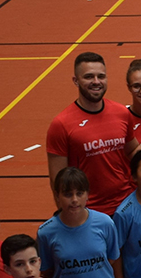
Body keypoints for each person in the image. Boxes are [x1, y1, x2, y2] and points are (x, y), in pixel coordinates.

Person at [47, 52, 135, 215]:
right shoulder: (61, 124)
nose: (96, 82)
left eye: (101, 76)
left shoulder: (122, 112)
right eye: (89, 77)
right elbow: (58, 181)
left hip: (127, 207)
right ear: (76, 80)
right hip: (89, 213)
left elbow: (133, 150)